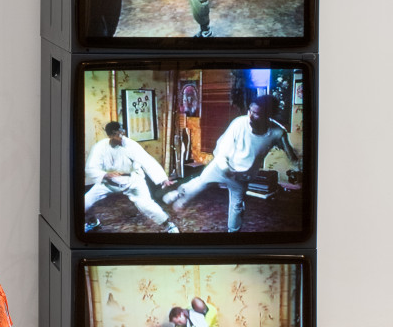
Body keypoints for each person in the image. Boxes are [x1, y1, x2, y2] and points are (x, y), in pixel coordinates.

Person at [164, 96, 300, 232]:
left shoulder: (277, 133)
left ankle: (233, 234)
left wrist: (298, 169)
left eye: (257, 113)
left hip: (242, 176)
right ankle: (178, 194)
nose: (251, 116)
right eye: (250, 111)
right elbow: (223, 148)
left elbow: (291, 156)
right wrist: (225, 168)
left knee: (237, 205)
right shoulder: (239, 123)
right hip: (221, 166)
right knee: (200, 183)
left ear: (268, 116)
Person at [85, 121, 179, 232]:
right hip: (108, 183)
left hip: (133, 181)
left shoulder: (130, 145)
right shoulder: (100, 147)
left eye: (122, 132)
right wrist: (105, 174)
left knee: (147, 205)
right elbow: (91, 167)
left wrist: (163, 179)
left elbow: (147, 161)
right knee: (86, 202)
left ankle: (169, 226)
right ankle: (92, 222)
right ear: (110, 135)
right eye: (117, 134)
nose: (121, 137)